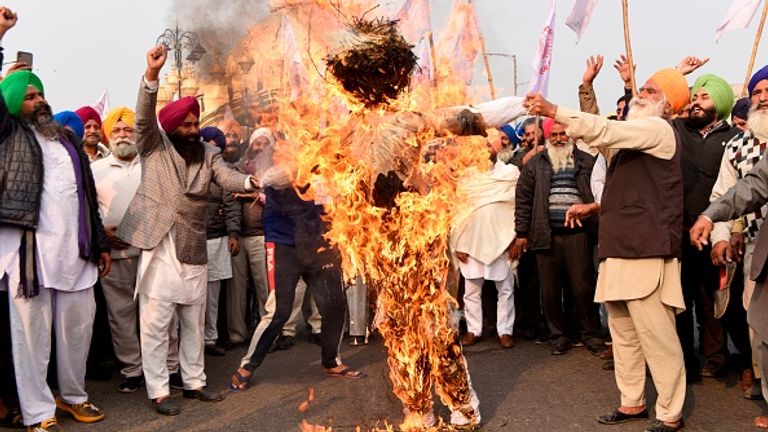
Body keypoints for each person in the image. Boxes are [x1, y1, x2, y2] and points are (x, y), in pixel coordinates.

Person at [526, 66, 690, 432]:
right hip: (618, 249)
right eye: (641, 89)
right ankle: (632, 403)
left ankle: (670, 412)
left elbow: (608, 129)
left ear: (668, 104)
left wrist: (554, 111)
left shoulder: (659, 130)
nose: (640, 95)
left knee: (658, 338)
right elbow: (602, 133)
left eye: (650, 91)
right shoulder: (632, 138)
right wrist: (586, 90)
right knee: (624, 335)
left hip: (647, 250)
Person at [116, 45, 258, 416]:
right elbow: (145, 118)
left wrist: (250, 180)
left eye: (196, 124)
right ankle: (159, 390)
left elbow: (227, 177)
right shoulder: (153, 145)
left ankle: (195, 383)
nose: (194, 130)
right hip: (159, 242)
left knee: (193, 320)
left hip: (193, 243)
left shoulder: (208, 154)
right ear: (173, 128)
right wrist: (151, 75)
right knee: (156, 323)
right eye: (187, 125)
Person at [0, 12, 111, 431]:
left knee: (76, 334)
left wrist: (99, 243)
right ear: (12, 105)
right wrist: (0, 36)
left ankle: (73, 397)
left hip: (76, 255)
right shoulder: (8, 134)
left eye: (40, 95)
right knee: (31, 339)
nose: (39, 101)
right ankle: (38, 412)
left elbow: (85, 199)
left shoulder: (67, 140)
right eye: (28, 97)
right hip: (30, 259)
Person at [690, 64, 768, 429]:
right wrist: (719, 232)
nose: (763, 98)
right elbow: (732, 194)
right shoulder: (738, 145)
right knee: (758, 328)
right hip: (755, 251)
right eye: (757, 93)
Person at [512, 122, 603, 356]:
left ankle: (589, 334)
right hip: (546, 233)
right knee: (550, 291)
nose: (560, 138)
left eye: (564, 134)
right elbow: (523, 200)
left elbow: (599, 193)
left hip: (579, 234)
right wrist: (522, 233)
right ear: (548, 137)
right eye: (555, 134)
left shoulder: (587, 162)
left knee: (583, 287)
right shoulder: (535, 164)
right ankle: (558, 336)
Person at [452, 152, 519, 349]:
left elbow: (518, 207)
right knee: (471, 291)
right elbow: (457, 212)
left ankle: (505, 331)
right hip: (471, 239)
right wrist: (458, 243)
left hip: (502, 239)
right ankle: (473, 329)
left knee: (505, 289)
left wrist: (516, 237)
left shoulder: (509, 173)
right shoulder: (466, 178)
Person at [200, 126, 241, 357]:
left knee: (213, 295)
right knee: (192, 294)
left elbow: (232, 204)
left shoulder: (223, 171)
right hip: (192, 239)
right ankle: (192, 340)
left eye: (213, 144)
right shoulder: (190, 167)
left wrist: (233, 233)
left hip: (217, 238)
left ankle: (210, 339)